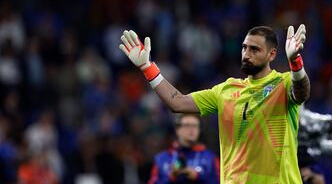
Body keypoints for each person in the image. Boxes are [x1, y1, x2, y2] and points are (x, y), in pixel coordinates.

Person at [119, 25, 311, 183]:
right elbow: (177, 102)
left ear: (272, 54)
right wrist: (147, 67)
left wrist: (295, 62)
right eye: (244, 47)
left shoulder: (283, 83)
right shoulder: (226, 90)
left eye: (254, 49)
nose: (246, 54)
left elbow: (301, 92)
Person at [148, 113, 220, 184]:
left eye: (195, 126)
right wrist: (171, 177)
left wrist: (197, 176)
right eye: (187, 125)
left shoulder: (210, 158)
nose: (192, 129)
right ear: (177, 130)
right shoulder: (162, 159)